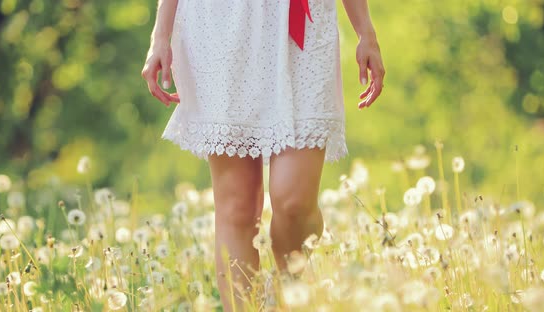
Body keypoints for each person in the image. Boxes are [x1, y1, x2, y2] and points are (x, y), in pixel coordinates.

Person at [141, 0, 384, 310]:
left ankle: (288, 298)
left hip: (302, 31)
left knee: (294, 201)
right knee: (237, 206)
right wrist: (159, 36)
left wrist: (366, 32)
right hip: (220, 27)